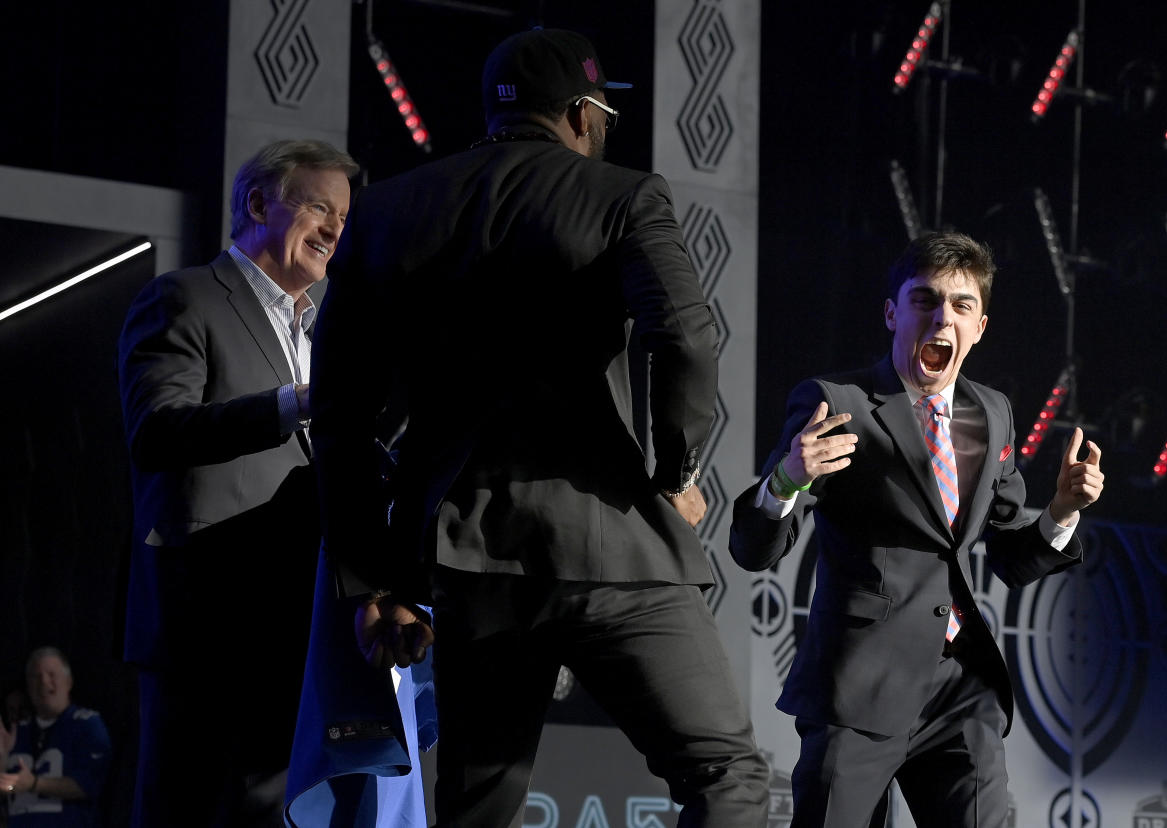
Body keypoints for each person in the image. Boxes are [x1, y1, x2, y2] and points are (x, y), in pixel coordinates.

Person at [310, 27, 770, 828]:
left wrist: (373, 580)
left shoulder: (388, 210)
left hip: (468, 555)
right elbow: (687, 338)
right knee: (725, 775)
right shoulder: (623, 196)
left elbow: (340, 411)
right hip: (615, 547)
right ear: (584, 115)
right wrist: (673, 472)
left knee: (478, 805)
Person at [729, 232, 1105, 828]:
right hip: (860, 687)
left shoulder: (993, 413)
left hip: (961, 688)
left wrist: (1059, 512)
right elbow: (754, 549)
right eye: (924, 300)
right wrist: (785, 481)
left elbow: (1009, 553)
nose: (942, 317)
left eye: (961, 305)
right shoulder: (837, 401)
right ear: (892, 312)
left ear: (980, 327)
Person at [116, 139, 359, 827]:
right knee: (186, 809)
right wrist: (298, 403)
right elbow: (157, 432)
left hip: (294, 619)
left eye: (344, 217)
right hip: (202, 617)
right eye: (318, 206)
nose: (336, 230)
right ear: (257, 203)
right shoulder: (183, 297)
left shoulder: (321, 331)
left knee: (267, 809)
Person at [0, 647, 111, 827]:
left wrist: (35, 784)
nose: (44, 682)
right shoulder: (17, 731)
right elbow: (7, 789)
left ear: (69, 681)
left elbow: (90, 783)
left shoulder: (86, 724)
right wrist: (2, 757)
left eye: (51, 674)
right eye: (36, 677)